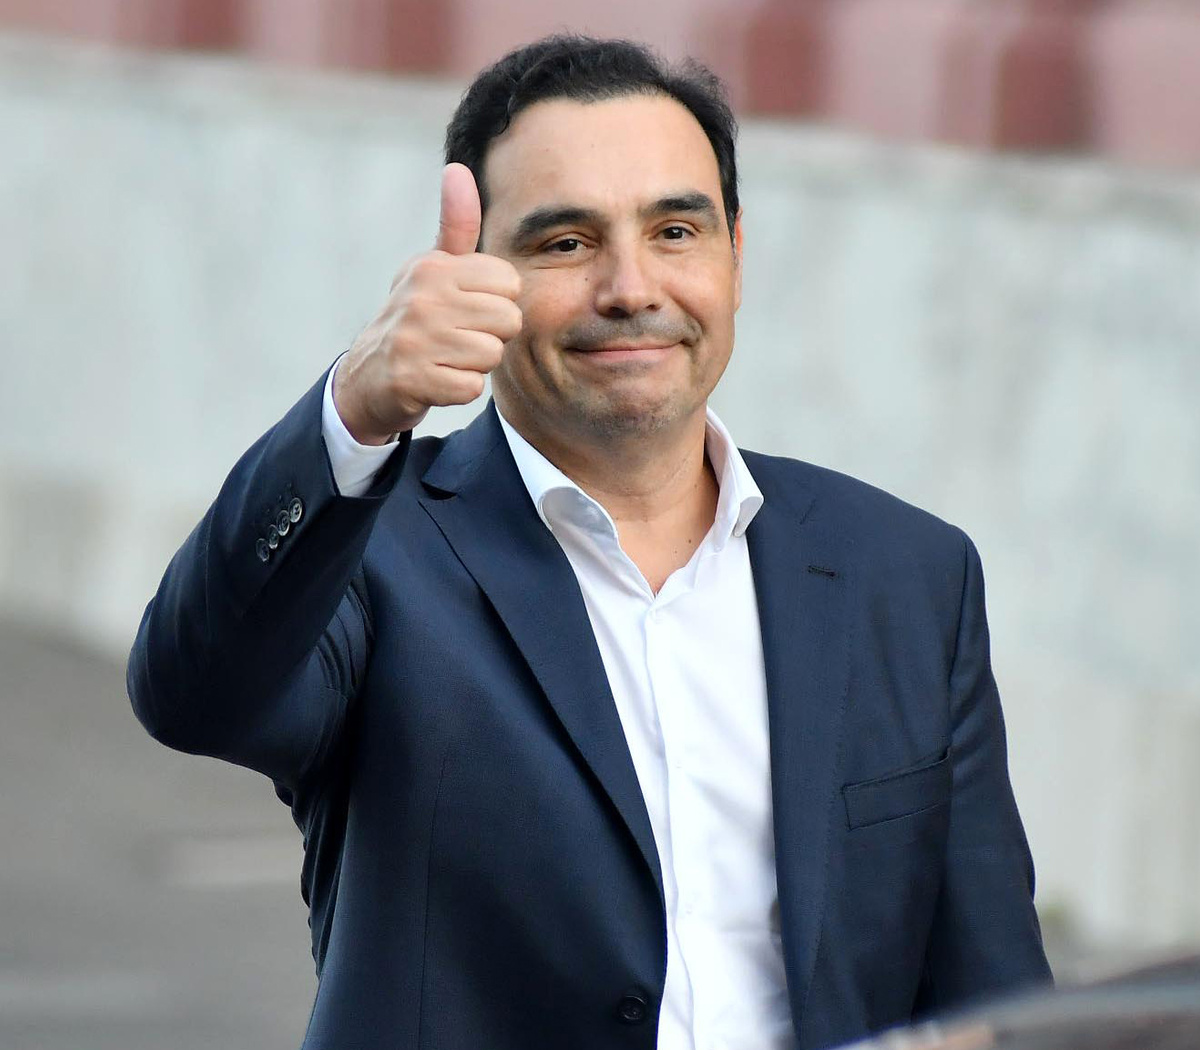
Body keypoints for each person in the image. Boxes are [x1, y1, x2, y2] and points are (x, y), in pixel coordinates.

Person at [128, 34, 1052, 1050]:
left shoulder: (907, 574)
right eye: (565, 243)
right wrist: (355, 408)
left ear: (736, 256)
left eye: (675, 231)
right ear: (475, 280)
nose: (630, 288)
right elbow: (192, 691)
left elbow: (996, 999)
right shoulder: (372, 552)